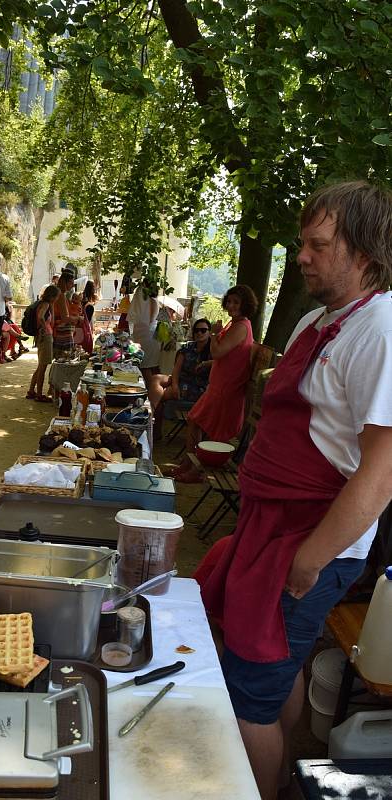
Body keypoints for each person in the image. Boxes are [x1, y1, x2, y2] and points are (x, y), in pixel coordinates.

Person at [199, 181, 392, 800]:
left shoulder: (382, 331)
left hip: (309, 541)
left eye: (318, 244)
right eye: (300, 243)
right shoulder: (318, 319)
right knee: (277, 675)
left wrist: (309, 559)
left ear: (363, 253)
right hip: (270, 529)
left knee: (249, 692)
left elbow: (381, 475)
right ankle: (277, 784)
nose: (302, 256)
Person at [171, 285, 256, 482]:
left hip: (227, 389)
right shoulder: (234, 324)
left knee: (212, 431)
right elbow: (230, 355)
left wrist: (214, 335)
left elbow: (217, 351)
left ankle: (195, 471)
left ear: (246, 304)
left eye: (236, 302)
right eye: (230, 301)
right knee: (195, 421)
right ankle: (189, 463)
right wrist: (209, 363)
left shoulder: (241, 326)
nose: (232, 305)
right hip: (218, 386)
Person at [148, 317, 212, 440]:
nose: (199, 333)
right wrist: (175, 384)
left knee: (160, 394)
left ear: (209, 332)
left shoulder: (212, 351)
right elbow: (177, 368)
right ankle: (150, 416)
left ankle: (151, 423)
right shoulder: (188, 347)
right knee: (156, 378)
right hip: (182, 380)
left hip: (197, 387)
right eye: (197, 330)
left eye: (203, 330)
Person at [26, 285, 61, 401]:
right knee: (43, 367)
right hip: (45, 336)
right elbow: (41, 317)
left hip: (42, 335)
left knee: (40, 365)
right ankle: (39, 394)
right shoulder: (45, 304)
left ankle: (32, 390)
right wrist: (45, 328)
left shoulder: (43, 303)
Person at [127, 279, 161, 386]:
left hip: (145, 333)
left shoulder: (146, 296)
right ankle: (152, 389)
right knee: (149, 365)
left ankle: (150, 389)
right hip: (149, 332)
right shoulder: (153, 299)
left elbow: (150, 318)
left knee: (144, 365)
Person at [52, 270, 83, 359]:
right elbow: (65, 318)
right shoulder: (61, 295)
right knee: (64, 359)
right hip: (62, 333)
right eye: (71, 283)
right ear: (64, 282)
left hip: (62, 332)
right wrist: (79, 318)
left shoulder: (61, 295)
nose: (72, 285)